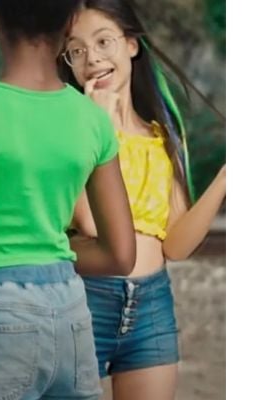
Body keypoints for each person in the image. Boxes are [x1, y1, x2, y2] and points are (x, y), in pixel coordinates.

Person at [0, 1, 137, 398]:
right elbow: (121, 256)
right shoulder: (92, 119)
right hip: (70, 312)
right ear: (70, 22)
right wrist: (44, 252)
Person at [59, 1, 226, 398]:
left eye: (103, 42)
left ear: (132, 44)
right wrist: (97, 128)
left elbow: (177, 245)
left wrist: (225, 177)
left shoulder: (161, 135)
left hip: (151, 304)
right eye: (76, 50)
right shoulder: (71, 131)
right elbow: (91, 223)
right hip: (84, 299)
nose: (92, 58)